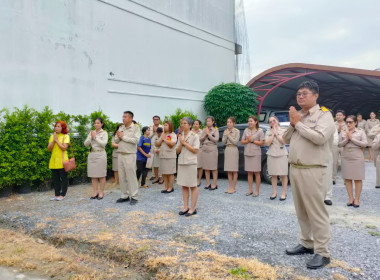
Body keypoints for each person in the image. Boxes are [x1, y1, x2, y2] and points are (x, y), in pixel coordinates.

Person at [283, 80, 335, 269]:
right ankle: (306, 243)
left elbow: (320, 138)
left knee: (316, 212)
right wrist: (293, 123)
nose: (300, 96)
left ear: (315, 96)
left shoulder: (324, 115)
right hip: (296, 169)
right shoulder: (299, 116)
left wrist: (299, 124)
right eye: (298, 94)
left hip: (313, 170)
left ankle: (322, 252)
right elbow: (284, 138)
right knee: (302, 211)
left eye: (305, 93)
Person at [339, 115, 367, 207]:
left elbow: (364, 143)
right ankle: (350, 198)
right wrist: (347, 139)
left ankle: (357, 199)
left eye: (350, 122)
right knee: (347, 178)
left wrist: (352, 138)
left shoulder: (360, 132)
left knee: (358, 178)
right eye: (347, 122)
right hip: (346, 156)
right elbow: (339, 144)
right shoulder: (343, 132)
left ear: (355, 123)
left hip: (357, 156)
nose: (348, 124)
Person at [114, 111, 141, 205]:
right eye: (123, 116)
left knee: (131, 176)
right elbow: (116, 140)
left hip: (130, 154)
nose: (123, 118)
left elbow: (136, 141)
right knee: (122, 177)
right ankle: (124, 195)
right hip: (121, 154)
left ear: (130, 118)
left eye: (125, 117)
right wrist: (118, 136)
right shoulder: (121, 127)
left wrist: (123, 137)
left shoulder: (136, 128)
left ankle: (134, 196)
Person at [176, 117, 200, 216]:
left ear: (190, 125)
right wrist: (181, 143)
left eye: (185, 123)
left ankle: (193, 208)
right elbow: (177, 151)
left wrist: (184, 143)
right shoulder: (180, 136)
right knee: (184, 185)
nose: (183, 125)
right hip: (182, 162)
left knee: (192, 185)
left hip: (190, 163)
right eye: (182, 123)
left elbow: (195, 150)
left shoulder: (195, 136)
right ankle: (185, 207)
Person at [84, 118, 109, 200]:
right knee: (93, 175)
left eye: (98, 123)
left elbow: (103, 144)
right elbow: (85, 144)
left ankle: (101, 192)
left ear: (102, 124)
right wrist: (91, 137)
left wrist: (95, 138)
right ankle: (95, 192)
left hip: (101, 154)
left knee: (101, 175)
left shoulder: (104, 133)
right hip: (92, 154)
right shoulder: (91, 132)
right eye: (95, 123)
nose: (96, 124)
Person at [265, 116, 288, 200]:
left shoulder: (284, 130)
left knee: (283, 175)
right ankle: (274, 192)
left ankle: (284, 193)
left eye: (274, 120)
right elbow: (267, 143)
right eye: (270, 122)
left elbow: (284, 141)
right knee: (273, 175)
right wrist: (273, 134)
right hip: (272, 154)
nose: (272, 122)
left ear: (277, 121)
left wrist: (276, 133)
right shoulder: (268, 131)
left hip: (282, 154)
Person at [241, 116, 264, 196]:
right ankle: (250, 190)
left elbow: (262, 143)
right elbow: (242, 142)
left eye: (251, 121)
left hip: (256, 153)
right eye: (248, 121)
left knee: (257, 172)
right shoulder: (246, 130)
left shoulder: (259, 131)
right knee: (249, 172)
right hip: (247, 152)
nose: (249, 122)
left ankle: (257, 191)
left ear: (256, 122)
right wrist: (247, 140)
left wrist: (253, 140)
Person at [47, 121, 70, 201]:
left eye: (58, 126)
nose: (56, 128)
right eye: (55, 126)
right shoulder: (52, 136)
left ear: (62, 128)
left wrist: (56, 140)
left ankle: (63, 194)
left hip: (62, 161)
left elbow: (64, 148)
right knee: (55, 179)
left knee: (63, 178)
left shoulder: (65, 136)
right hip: (54, 161)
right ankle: (57, 194)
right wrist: (54, 140)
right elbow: (49, 149)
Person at [155, 120, 177, 193]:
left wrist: (164, 139)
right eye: (164, 125)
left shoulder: (173, 134)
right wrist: (162, 138)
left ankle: (170, 187)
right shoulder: (162, 134)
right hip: (163, 155)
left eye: (166, 125)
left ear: (170, 126)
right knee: (164, 172)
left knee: (170, 172)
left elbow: (172, 144)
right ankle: (166, 187)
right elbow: (157, 144)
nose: (164, 126)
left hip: (170, 156)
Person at [200, 116, 219, 190]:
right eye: (207, 121)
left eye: (209, 121)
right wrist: (205, 134)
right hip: (205, 149)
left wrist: (209, 134)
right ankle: (208, 183)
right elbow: (200, 139)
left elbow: (216, 140)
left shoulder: (215, 130)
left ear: (213, 122)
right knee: (206, 167)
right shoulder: (204, 130)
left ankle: (214, 184)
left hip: (212, 149)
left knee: (213, 168)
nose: (208, 122)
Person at [222, 117, 240, 194]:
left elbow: (235, 142)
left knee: (234, 170)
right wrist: (226, 135)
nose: (228, 124)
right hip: (227, 149)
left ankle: (234, 187)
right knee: (229, 169)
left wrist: (229, 135)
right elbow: (223, 142)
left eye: (230, 122)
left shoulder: (237, 131)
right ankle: (230, 186)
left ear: (234, 123)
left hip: (234, 149)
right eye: (227, 122)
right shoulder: (225, 131)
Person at [325, 127, 338, 206]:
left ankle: (327, 196)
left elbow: (335, 141)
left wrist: (321, 139)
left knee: (328, 175)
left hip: (327, 152)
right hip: (314, 153)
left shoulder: (332, 126)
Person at [332, 110, 346, 185]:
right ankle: (333, 178)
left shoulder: (347, 124)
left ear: (344, 116)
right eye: (337, 115)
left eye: (340, 115)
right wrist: (338, 130)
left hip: (344, 145)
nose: (338, 116)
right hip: (335, 145)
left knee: (345, 162)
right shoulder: (333, 124)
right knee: (334, 162)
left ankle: (346, 179)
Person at [192, 120, 203, 187]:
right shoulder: (191, 131)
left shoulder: (201, 132)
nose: (195, 125)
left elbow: (200, 140)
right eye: (194, 124)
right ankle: (194, 180)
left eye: (197, 124)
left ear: (199, 125)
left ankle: (199, 180)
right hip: (192, 150)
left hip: (199, 149)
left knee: (199, 166)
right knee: (193, 165)